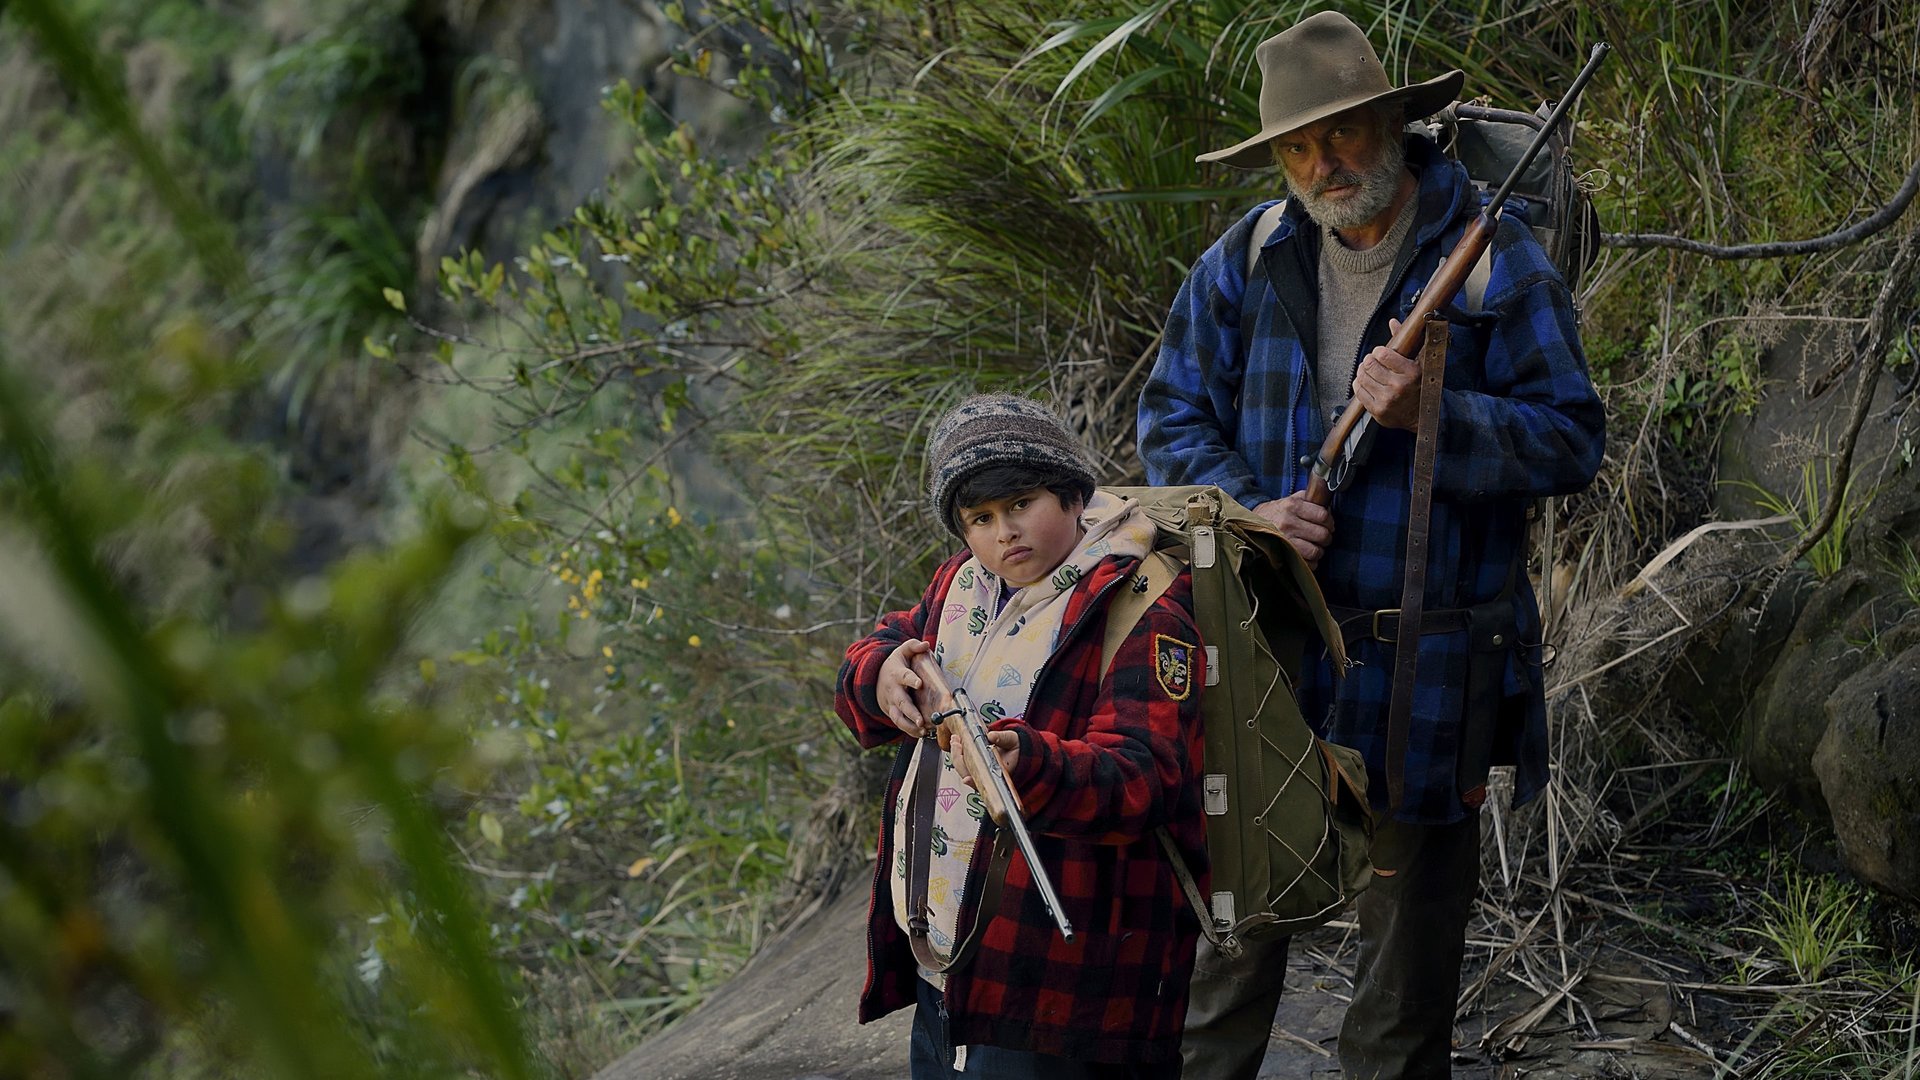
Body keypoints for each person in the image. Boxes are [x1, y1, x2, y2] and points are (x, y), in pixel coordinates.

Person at [1136, 11, 1606, 1080]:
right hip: (1271, 659)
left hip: (1428, 670)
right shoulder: (1250, 255)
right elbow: (1170, 416)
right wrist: (1251, 511)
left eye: (1342, 132)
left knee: (1400, 1002)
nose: (1323, 165)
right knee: (1222, 967)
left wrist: (1435, 413)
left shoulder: (1494, 257)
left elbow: (1574, 438)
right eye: (1298, 147)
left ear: (1393, 121)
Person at [836, 393, 1209, 1078]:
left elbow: (1145, 776)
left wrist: (1030, 763)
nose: (1004, 533)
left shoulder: (1143, 605)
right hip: (947, 956)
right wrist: (880, 673)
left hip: (1066, 983)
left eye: (1020, 503)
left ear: (1072, 494)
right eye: (980, 518)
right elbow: (887, 642)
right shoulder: (962, 585)